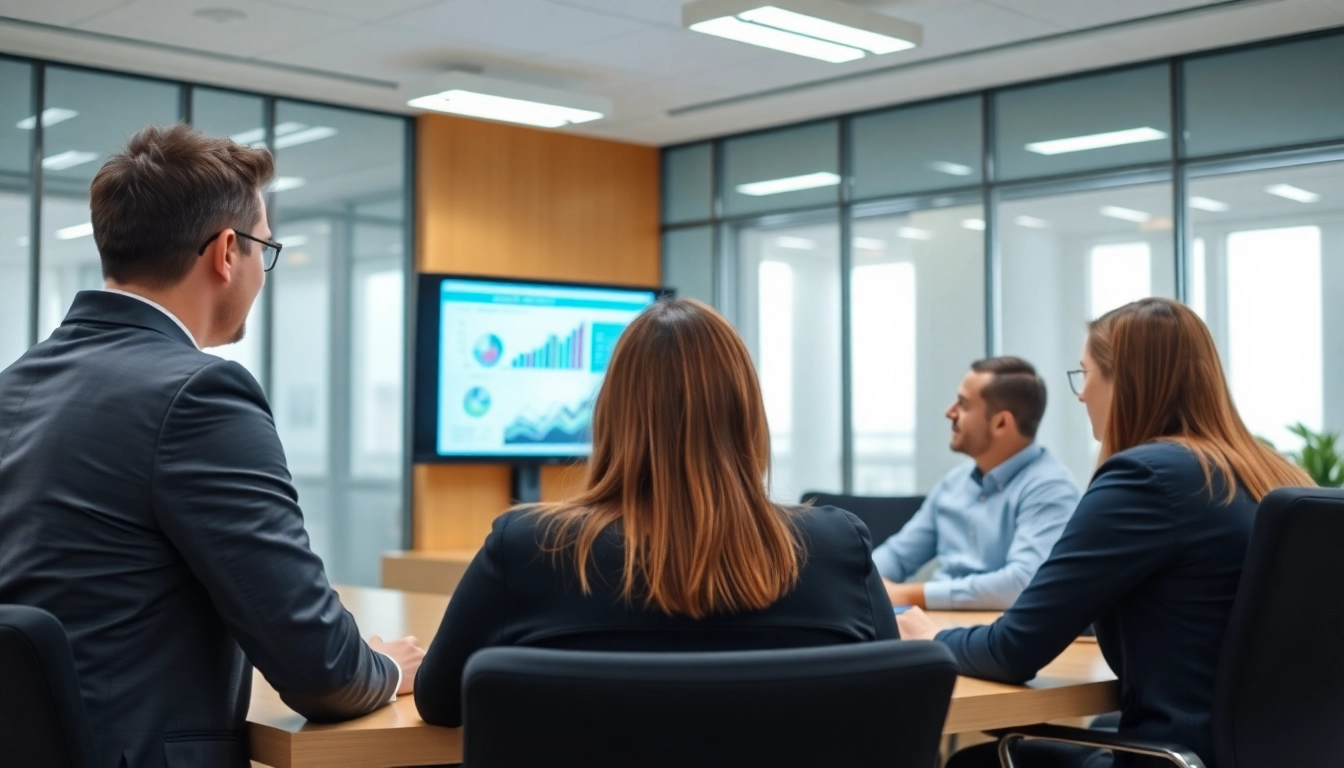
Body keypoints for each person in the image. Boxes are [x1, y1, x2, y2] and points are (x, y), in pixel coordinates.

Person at [0, 124, 424, 768]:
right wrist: (388, 668)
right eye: (265, 249)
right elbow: (321, 668)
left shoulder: (15, 383)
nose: (262, 272)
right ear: (227, 251)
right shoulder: (199, 392)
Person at [414, 298, 898, 727]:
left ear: (610, 416)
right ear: (747, 416)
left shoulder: (531, 547)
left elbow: (439, 703)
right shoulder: (835, 548)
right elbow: (893, 700)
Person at [897, 298, 1313, 768]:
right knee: (1096, 730)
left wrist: (931, 639)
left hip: (1183, 757)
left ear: (1125, 382)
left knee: (975, 763)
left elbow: (1013, 651)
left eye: (1085, 374)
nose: (1080, 394)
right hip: (1280, 752)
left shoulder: (1146, 477)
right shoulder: (1278, 476)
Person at [874, 357, 1081, 610]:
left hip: (990, 634)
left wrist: (909, 595)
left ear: (1001, 422)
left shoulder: (1051, 489)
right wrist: (863, 580)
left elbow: (1021, 584)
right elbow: (897, 555)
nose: (949, 412)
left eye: (963, 404)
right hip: (934, 625)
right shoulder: (954, 482)